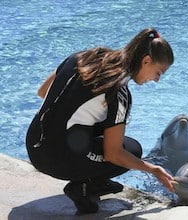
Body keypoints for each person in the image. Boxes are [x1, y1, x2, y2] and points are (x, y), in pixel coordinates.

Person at [25, 28, 175, 214]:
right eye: (158, 73)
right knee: (132, 150)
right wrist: (154, 170)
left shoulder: (81, 57)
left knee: (94, 125)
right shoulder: (118, 91)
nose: (156, 80)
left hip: (33, 146)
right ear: (146, 61)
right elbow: (114, 154)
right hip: (54, 161)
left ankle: (90, 177)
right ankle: (85, 186)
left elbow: (42, 92)